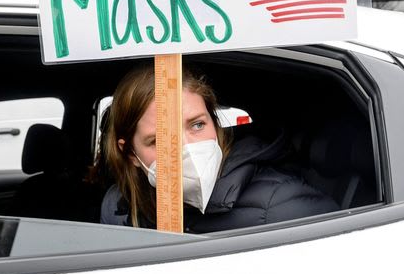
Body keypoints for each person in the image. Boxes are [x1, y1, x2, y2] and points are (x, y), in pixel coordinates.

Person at [97, 64, 338, 233]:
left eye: (197, 125)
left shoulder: (282, 205)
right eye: (159, 140)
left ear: (215, 124)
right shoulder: (118, 206)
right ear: (131, 154)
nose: (187, 149)